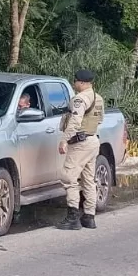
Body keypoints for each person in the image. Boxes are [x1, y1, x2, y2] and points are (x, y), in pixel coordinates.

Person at [54, 69, 105, 231]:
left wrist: (64, 140)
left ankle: (72, 217)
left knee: (69, 178)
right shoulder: (98, 98)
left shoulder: (80, 99)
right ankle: (89, 216)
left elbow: (75, 122)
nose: (74, 83)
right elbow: (100, 119)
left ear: (81, 82)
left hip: (80, 143)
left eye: (75, 81)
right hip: (92, 140)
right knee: (88, 179)